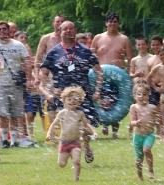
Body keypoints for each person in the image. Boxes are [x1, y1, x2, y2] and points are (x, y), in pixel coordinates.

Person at [40, 20, 103, 163]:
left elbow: (99, 72)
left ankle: (86, 146)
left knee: (86, 122)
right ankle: (70, 151)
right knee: (68, 125)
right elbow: (42, 73)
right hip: (64, 96)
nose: (68, 31)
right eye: (65, 29)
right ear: (59, 32)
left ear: (75, 31)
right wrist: (52, 89)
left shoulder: (85, 50)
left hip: (83, 94)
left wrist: (98, 90)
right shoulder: (54, 52)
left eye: (71, 28)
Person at [91, 12, 133, 139]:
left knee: (117, 104)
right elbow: (91, 57)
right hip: (101, 76)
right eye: (110, 21)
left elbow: (130, 59)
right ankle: (104, 124)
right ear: (106, 23)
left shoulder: (124, 39)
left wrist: (130, 74)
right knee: (105, 102)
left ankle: (115, 133)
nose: (112, 24)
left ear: (118, 23)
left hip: (119, 76)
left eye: (115, 21)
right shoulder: (98, 38)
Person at [0, 21, 34, 148]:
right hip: (0, 85)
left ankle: (14, 141)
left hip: (16, 84)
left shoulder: (18, 45)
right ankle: (4, 140)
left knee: (16, 114)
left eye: (4, 29)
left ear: (9, 30)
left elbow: (27, 62)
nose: (2, 31)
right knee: (3, 114)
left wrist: (29, 79)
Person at [46, 86, 98, 181]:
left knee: (77, 162)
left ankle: (76, 180)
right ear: (64, 101)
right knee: (61, 164)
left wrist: (94, 132)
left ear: (79, 102)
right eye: (69, 99)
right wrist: (49, 134)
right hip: (64, 142)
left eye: (75, 99)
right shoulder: (62, 113)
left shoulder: (80, 113)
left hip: (75, 142)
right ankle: (70, 154)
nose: (72, 101)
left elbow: (86, 125)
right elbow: (53, 125)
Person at [34, 14, 65, 128]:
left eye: (62, 21)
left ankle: (67, 133)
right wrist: (37, 76)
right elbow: (38, 58)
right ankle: (52, 135)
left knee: (66, 104)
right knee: (50, 102)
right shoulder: (46, 38)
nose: (60, 23)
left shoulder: (68, 38)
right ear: (53, 23)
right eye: (57, 21)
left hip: (64, 74)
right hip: (49, 74)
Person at [129, 79, 158, 182]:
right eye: (139, 94)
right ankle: (140, 176)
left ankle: (150, 170)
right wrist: (135, 123)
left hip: (149, 134)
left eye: (144, 94)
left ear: (149, 95)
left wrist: (160, 131)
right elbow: (131, 122)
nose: (142, 97)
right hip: (138, 135)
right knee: (139, 158)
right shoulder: (134, 107)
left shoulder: (153, 107)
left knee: (146, 150)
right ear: (134, 96)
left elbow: (158, 120)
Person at [128, 36, 152, 135]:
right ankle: (131, 126)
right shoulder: (134, 60)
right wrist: (135, 75)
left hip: (147, 86)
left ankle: (147, 127)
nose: (141, 46)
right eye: (139, 44)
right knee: (135, 108)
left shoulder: (151, 58)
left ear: (147, 45)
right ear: (136, 46)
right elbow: (130, 74)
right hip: (137, 87)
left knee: (146, 108)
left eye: (143, 44)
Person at [147, 46, 164, 142]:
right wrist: (156, 88)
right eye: (161, 55)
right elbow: (149, 78)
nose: (163, 56)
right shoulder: (158, 67)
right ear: (158, 56)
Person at [146, 35, 163, 138]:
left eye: (158, 45)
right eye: (153, 45)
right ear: (150, 46)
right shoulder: (150, 60)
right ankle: (158, 131)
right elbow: (148, 78)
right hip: (154, 87)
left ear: (162, 45)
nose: (155, 47)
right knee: (154, 110)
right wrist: (154, 87)